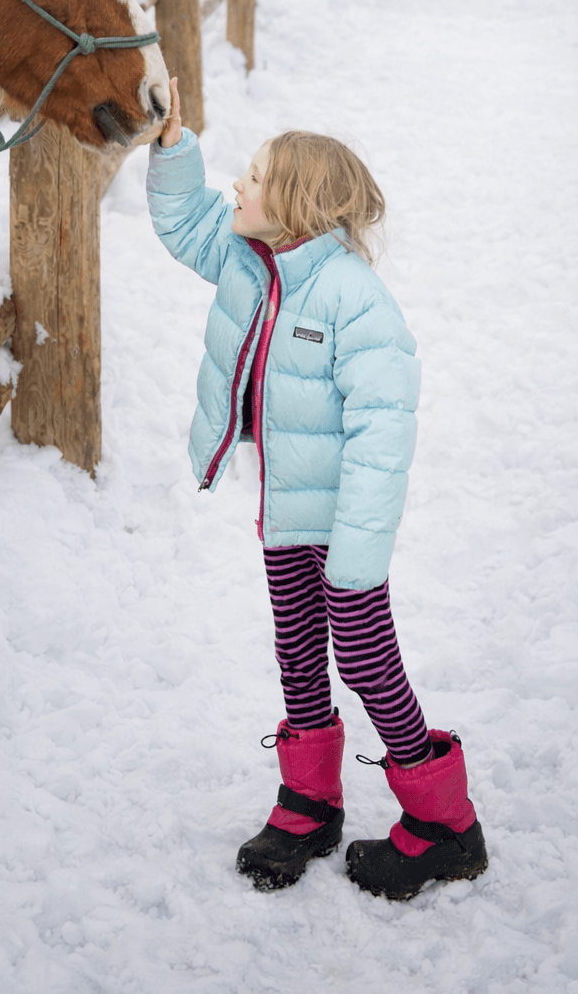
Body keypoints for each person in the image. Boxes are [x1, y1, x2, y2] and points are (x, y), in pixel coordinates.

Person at [147, 78, 487, 901]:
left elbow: (383, 432)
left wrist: (360, 553)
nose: (239, 185)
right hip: (288, 512)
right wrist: (172, 149)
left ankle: (445, 824)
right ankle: (309, 800)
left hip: (346, 528)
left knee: (367, 662)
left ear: (295, 205)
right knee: (297, 651)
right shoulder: (246, 258)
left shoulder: (353, 299)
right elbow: (184, 224)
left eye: (255, 177)